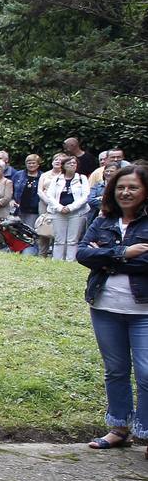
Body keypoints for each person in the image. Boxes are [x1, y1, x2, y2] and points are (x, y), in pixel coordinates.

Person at [78, 164, 148, 454]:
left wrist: (105, 257)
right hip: (105, 307)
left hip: (143, 311)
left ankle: (145, 431)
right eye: (120, 187)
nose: (125, 192)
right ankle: (120, 428)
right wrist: (122, 253)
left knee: (146, 374)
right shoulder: (103, 220)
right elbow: (83, 253)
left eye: (132, 187)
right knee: (116, 370)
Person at [42, 154, 89, 261]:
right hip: (58, 213)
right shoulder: (56, 179)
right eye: (69, 163)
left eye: (74, 163)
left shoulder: (82, 178)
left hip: (77, 213)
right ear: (63, 166)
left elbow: (85, 196)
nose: (72, 165)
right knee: (59, 239)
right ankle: (57, 260)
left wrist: (70, 208)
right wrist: (60, 208)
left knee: (72, 240)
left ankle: (70, 260)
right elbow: (50, 195)